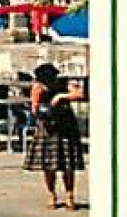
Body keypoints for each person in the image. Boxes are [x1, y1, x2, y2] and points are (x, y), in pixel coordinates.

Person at [23, 62, 85, 209]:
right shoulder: (38, 87)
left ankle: (70, 194)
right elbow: (34, 108)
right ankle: (52, 194)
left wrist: (61, 96)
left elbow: (80, 94)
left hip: (66, 126)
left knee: (68, 165)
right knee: (48, 165)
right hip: (47, 127)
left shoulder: (63, 84)